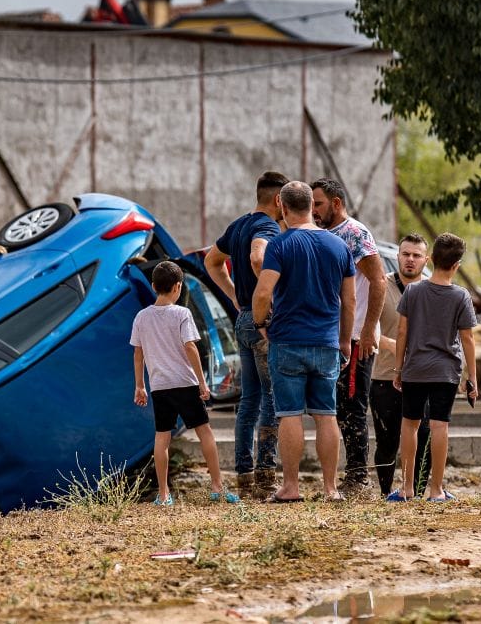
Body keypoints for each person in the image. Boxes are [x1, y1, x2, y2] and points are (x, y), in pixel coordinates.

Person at [253, 181, 355, 503]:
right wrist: (344, 341)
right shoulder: (339, 246)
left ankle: (291, 487)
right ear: (313, 205)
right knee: (327, 414)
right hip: (326, 342)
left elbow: (263, 292)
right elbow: (349, 301)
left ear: (282, 206)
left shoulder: (280, 245)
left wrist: (261, 323)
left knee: (290, 414)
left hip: (287, 341)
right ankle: (330, 489)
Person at [204, 170, 288, 497]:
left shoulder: (238, 224)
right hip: (262, 320)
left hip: (243, 319)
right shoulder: (267, 225)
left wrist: (235, 295)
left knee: (249, 400)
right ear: (279, 200)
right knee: (272, 397)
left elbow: (212, 261)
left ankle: (245, 477)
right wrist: (263, 297)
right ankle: (266, 478)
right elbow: (257, 256)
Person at [131, 261, 239, 506]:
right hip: (184, 382)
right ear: (178, 287)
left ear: (153, 286)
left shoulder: (142, 317)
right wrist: (203, 382)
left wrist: (140, 385)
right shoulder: (182, 313)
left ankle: (163, 494)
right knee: (204, 432)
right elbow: (190, 347)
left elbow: (138, 353)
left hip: (159, 386)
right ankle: (217, 487)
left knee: (162, 438)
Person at [389, 233, 479, 502]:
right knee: (440, 427)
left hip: (415, 368)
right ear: (456, 265)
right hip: (445, 372)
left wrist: (398, 368)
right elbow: (468, 339)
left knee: (410, 425)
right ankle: (437, 490)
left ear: (432, 259)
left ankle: (406, 488)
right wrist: (471, 376)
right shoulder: (461, 296)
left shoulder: (413, 291)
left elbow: (402, 331)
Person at [310, 179, 386, 493]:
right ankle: (347, 474)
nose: (314, 210)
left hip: (355, 337)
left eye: (319, 204)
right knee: (337, 407)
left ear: (337, 203)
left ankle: (357, 477)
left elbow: (379, 281)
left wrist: (368, 331)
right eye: (312, 203)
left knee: (353, 407)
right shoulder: (322, 235)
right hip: (331, 335)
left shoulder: (355, 234)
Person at [370, 235, 432, 497]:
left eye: (416, 255)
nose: (410, 259)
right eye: (406, 254)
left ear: (425, 260)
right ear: (398, 256)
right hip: (384, 375)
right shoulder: (381, 285)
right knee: (387, 440)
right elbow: (369, 332)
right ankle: (386, 493)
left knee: (425, 437)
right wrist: (398, 348)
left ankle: (417, 493)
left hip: (425, 378)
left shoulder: (434, 289)